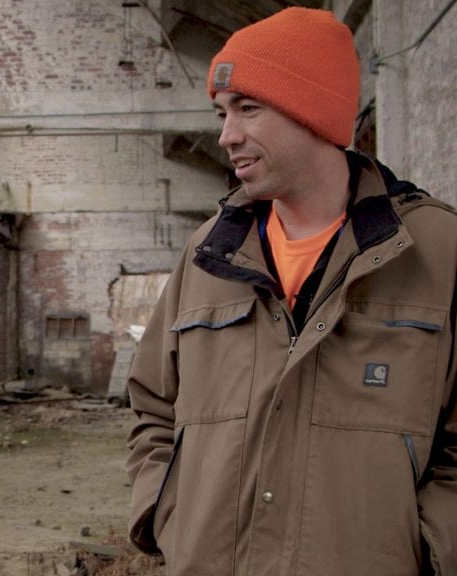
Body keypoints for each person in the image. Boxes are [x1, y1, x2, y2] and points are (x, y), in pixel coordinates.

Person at [125, 7, 457, 576]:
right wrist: (167, 514)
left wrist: (431, 546)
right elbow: (153, 407)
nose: (228, 136)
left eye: (248, 108)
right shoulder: (208, 254)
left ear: (315, 113)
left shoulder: (436, 248)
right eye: (223, 113)